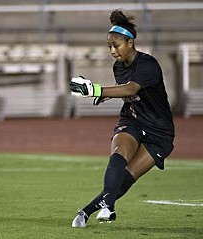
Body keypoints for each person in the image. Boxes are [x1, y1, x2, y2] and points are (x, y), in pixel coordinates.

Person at [69, 9, 175, 227]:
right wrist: (104, 96)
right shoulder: (118, 67)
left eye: (116, 45)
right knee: (119, 153)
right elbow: (124, 89)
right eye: (109, 46)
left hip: (159, 132)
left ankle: (86, 211)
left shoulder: (148, 64)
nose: (112, 51)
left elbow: (132, 88)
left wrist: (96, 90)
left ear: (130, 43)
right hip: (132, 120)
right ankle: (108, 206)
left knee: (126, 178)